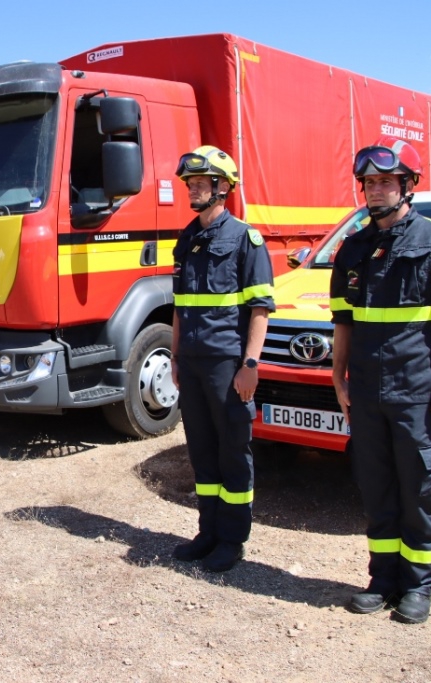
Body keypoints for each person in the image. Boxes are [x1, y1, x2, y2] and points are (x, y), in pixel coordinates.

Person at [331, 136, 431, 624]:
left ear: (408, 185)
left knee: (419, 489)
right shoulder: (353, 247)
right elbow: (343, 322)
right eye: (368, 182)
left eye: (385, 181)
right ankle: (382, 580)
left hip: (417, 393)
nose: (375, 190)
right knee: (376, 488)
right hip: (366, 393)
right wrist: (337, 376)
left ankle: (418, 585)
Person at [169, 145, 275, 573]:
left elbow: (260, 309)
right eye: (190, 184)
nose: (192, 189)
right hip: (193, 365)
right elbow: (180, 306)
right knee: (202, 451)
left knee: (232, 452)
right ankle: (208, 532)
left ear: (222, 187)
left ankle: (232, 540)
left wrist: (250, 365)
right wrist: (175, 355)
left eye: (199, 183)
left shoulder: (245, 240)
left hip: (228, 366)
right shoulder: (187, 239)